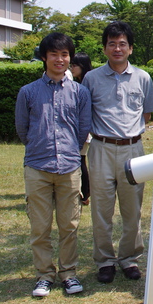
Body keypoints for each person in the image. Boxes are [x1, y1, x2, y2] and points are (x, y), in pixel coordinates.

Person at [16, 33, 91, 297]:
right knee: (40, 226)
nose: (60, 59)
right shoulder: (28, 92)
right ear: (44, 57)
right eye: (54, 54)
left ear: (70, 57)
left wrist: (69, 150)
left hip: (69, 166)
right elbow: (22, 129)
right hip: (37, 166)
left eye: (65, 54)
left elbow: (83, 129)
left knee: (69, 225)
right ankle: (44, 275)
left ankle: (68, 273)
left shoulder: (80, 92)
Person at [82, 21, 153, 283]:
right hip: (101, 148)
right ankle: (105, 261)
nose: (117, 48)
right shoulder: (91, 79)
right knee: (101, 209)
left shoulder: (143, 77)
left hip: (133, 149)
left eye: (122, 44)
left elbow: (146, 114)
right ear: (104, 48)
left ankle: (129, 258)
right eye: (112, 44)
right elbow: (86, 113)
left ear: (131, 48)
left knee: (132, 209)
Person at [70, 52, 93, 205]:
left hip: (83, 129)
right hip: (80, 128)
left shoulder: (86, 83)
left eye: (74, 65)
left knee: (80, 160)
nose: (71, 68)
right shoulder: (79, 82)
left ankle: (85, 193)